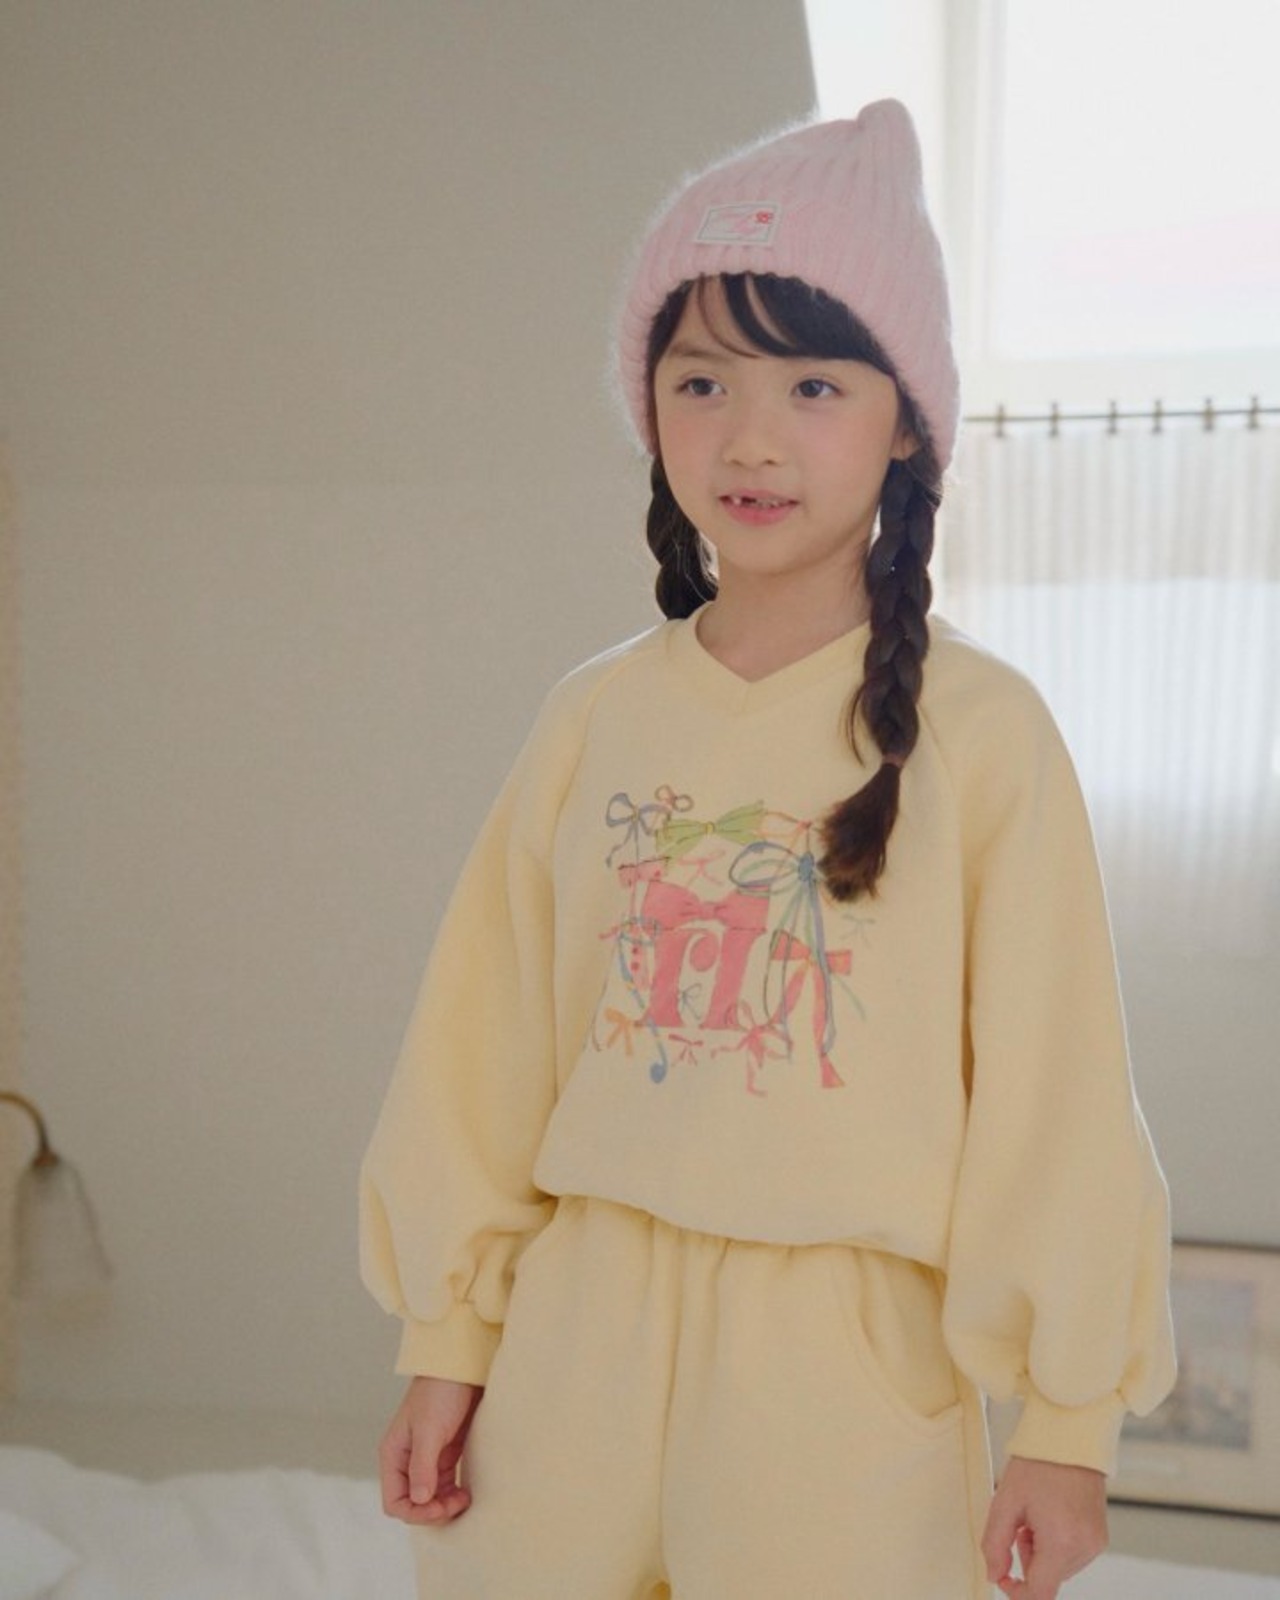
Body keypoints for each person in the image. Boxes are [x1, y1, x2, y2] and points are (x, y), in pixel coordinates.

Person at [360, 100, 1176, 1600]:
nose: (749, 437)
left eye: (812, 384)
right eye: (700, 382)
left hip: (841, 1368)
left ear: (905, 421)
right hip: (575, 1339)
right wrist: (448, 1342)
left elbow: (1056, 1093)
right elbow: (482, 1048)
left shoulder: (983, 734)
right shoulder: (593, 717)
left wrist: (1067, 1425)